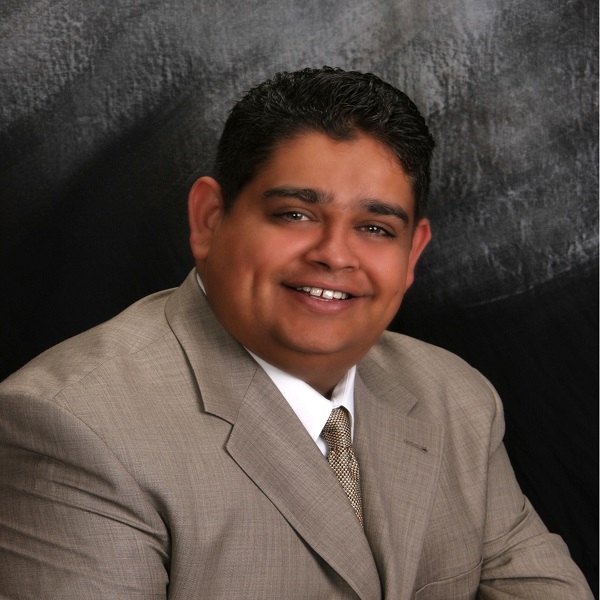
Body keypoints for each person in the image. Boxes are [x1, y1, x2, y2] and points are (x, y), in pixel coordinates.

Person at [0, 66, 592, 599]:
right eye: (295, 214)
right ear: (209, 220)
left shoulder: (456, 399)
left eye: (375, 227)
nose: (335, 254)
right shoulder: (74, 427)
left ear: (412, 253)